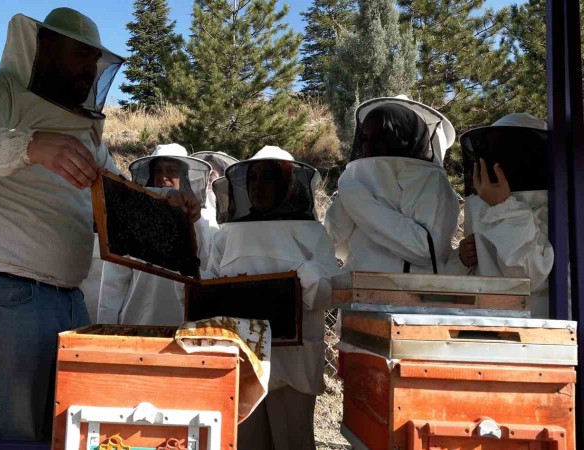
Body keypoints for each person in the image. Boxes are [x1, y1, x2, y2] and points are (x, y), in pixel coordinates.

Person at [0, 8, 200, 441]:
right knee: (15, 436)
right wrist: (30, 146)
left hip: (70, 299)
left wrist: (168, 204)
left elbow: (117, 198)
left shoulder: (84, 128)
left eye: (94, 60)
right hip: (7, 292)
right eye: (80, 56)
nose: (90, 69)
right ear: (46, 49)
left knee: (66, 432)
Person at [207, 145, 338, 450]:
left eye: (268, 177)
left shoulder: (313, 233)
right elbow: (209, 289)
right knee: (246, 442)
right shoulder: (227, 234)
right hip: (242, 361)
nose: (258, 186)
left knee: (293, 442)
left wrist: (302, 273)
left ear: (287, 184)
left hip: (294, 364)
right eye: (252, 178)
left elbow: (326, 295)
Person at [325, 95, 460, 274]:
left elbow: (426, 249)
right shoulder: (356, 178)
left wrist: (358, 202)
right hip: (358, 286)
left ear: (406, 139)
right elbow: (331, 243)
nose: (368, 147)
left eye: (381, 138)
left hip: (415, 289)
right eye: (364, 139)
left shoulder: (429, 180)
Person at [98, 144, 215, 326]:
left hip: (185, 327)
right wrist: (107, 329)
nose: (163, 177)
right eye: (158, 171)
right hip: (136, 324)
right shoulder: (132, 219)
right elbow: (113, 283)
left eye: (172, 171)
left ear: (184, 177)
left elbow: (208, 275)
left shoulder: (203, 221)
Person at [450, 113, 553, 318]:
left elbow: (528, 277)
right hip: (482, 323)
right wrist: (461, 260)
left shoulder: (556, 208)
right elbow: (466, 282)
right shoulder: (482, 203)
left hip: (532, 326)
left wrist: (504, 208)